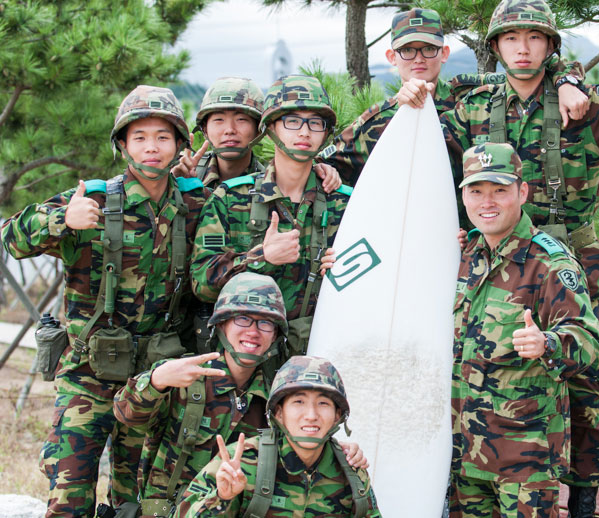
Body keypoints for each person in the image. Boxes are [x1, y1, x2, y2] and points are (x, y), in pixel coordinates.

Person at [399, 0, 599, 515]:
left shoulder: (581, 104)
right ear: (496, 47)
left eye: (533, 38)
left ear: (550, 45)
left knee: (583, 389)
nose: (522, 48)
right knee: (479, 371)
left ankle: (583, 501)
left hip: (565, 263)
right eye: (511, 38)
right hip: (491, 266)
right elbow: (422, 157)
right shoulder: (474, 107)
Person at [0, 86, 207, 517]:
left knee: (134, 503)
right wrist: (62, 219)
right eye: (140, 137)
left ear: (179, 145)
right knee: (69, 495)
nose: (152, 147)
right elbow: (12, 238)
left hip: (154, 380)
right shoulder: (92, 200)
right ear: (122, 145)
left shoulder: (195, 203)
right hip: (87, 377)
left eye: (163, 137)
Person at [112, 272, 365, 517]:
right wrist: (156, 381)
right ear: (222, 324)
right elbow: (126, 414)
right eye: (242, 319)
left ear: (275, 335)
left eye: (265, 323)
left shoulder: (276, 398)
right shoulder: (185, 376)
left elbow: (299, 448)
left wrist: (340, 452)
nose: (253, 332)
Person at [452, 143, 599, 518]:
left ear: (522, 192)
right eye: (476, 191)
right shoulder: (464, 255)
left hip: (525, 460)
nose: (487, 202)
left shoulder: (549, 262)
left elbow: (589, 342)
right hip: (465, 455)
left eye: (499, 190)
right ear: (464, 196)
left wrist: (547, 344)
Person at [320, 7, 589, 187]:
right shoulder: (380, 119)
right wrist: (327, 170)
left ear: (444, 53)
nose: (418, 59)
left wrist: (565, 82)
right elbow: (324, 163)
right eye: (407, 51)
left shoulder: (470, 93)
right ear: (392, 57)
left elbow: (529, 72)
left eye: (428, 49)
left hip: (473, 237)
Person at [191, 75, 350, 356]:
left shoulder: (345, 203)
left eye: (315, 123)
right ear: (270, 127)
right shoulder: (230, 198)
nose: (304, 132)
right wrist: (261, 257)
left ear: (326, 133)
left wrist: (343, 269)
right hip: (246, 359)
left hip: (320, 357)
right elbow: (202, 283)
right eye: (292, 121)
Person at [174, 355, 381, 517]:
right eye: (298, 402)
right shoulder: (241, 462)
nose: (311, 415)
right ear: (279, 413)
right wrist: (221, 498)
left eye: (323, 403)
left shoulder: (351, 471)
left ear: (337, 416)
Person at [174, 76, 341, 193]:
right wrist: (172, 182)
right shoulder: (185, 169)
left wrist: (316, 171)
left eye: (241, 119)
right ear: (204, 129)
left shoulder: (268, 182)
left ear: (260, 129)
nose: (229, 129)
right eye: (219, 120)